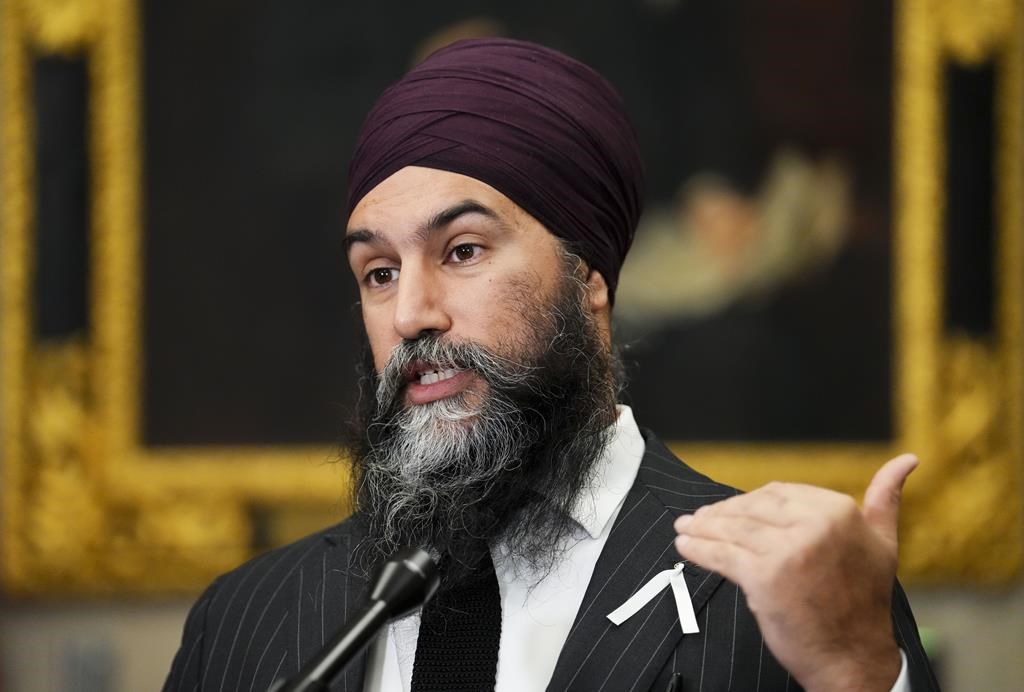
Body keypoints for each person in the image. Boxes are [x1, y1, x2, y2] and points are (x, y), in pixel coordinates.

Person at [163, 38, 938, 692]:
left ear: (589, 274)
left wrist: (857, 668)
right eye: (379, 272)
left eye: (462, 251)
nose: (409, 315)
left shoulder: (779, 591)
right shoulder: (249, 618)